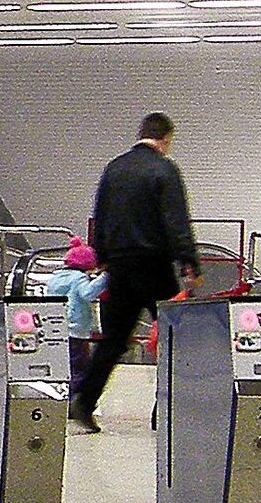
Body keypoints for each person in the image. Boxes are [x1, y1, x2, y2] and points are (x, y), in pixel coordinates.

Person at [66, 112, 196, 434]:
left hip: (120, 267)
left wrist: (103, 257)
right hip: (155, 266)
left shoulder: (115, 167)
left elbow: (100, 214)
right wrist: (188, 262)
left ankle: (84, 401)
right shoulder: (165, 169)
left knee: (112, 340)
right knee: (173, 338)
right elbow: (175, 219)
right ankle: (164, 410)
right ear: (165, 139)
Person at [56, 239, 109, 398]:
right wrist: (105, 278)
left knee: (62, 367)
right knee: (78, 368)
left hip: (56, 328)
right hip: (76, 330)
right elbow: (88, 293)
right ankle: (75, 400)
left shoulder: (56, 277)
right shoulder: (78, 278)